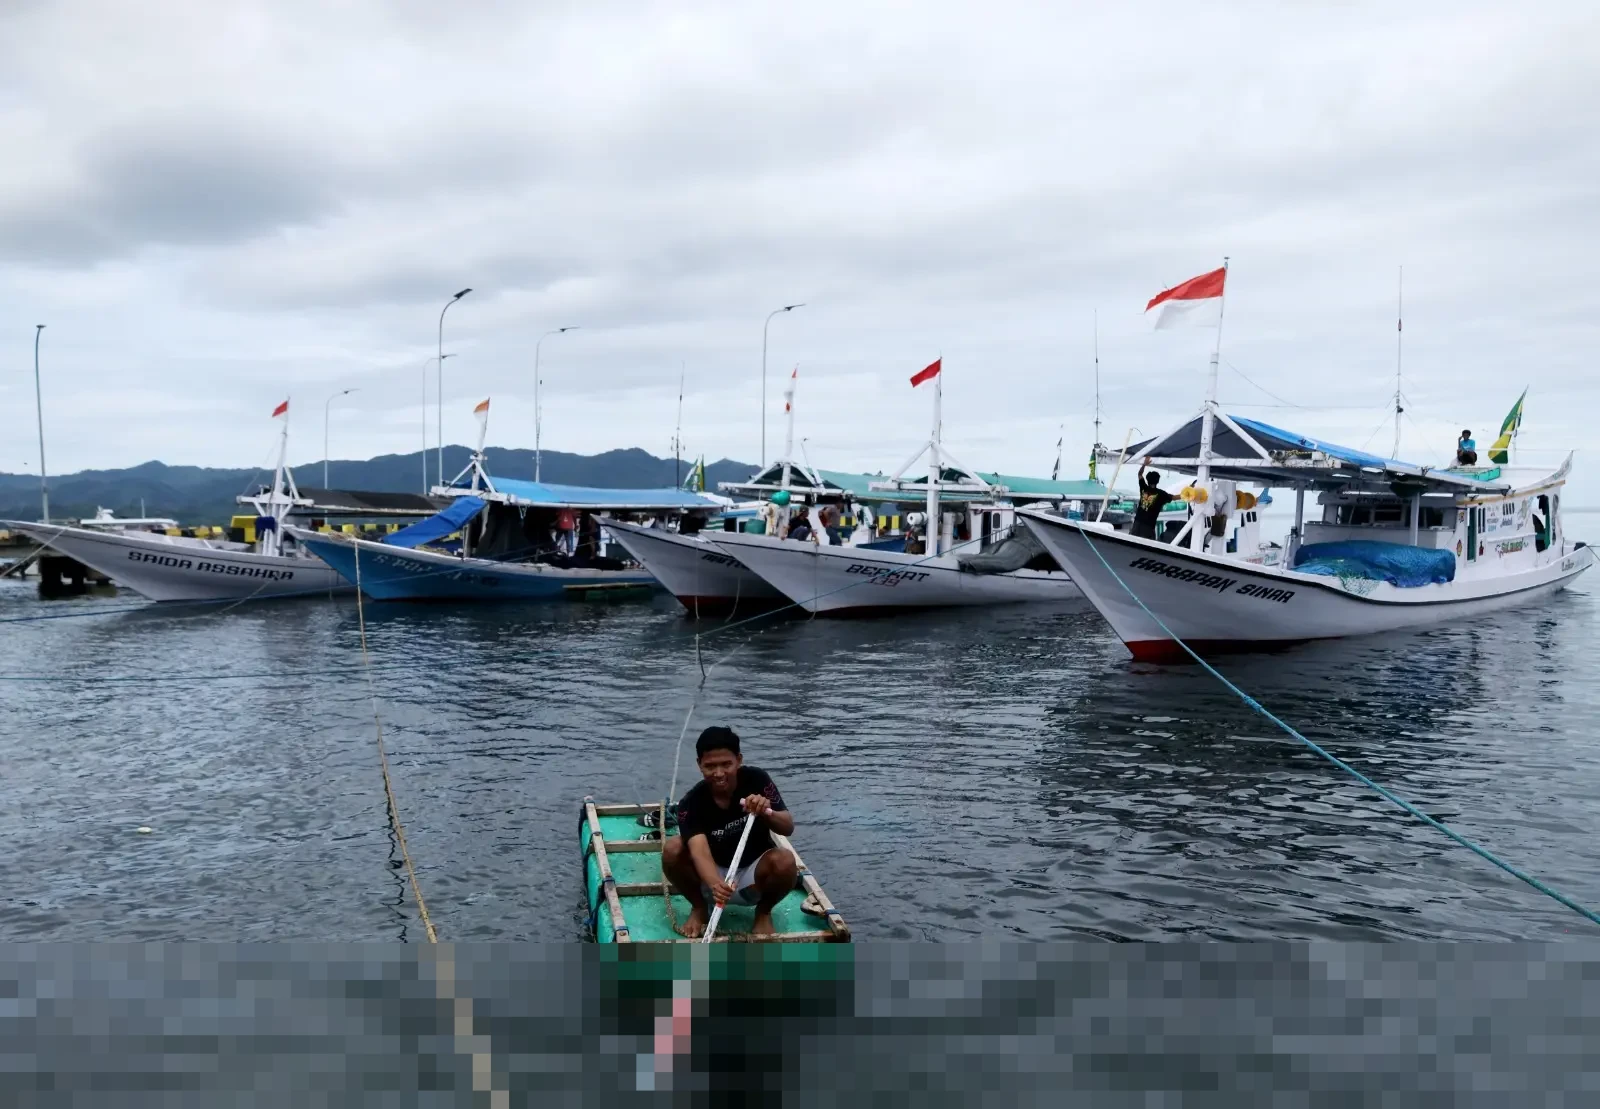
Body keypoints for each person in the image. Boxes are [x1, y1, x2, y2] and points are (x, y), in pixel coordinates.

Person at [662, 726, 798, 938]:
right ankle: (699, 907)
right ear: (699, 765)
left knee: (786, 861)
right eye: (710, 766)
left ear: (739, 760)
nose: (718, 774)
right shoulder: (691, 803)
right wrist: (715, 884)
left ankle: (763, 913)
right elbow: (699, 851)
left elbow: (787, 827)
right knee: (672, 849)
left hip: (752, 874)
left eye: (726, 764)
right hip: (712, 876)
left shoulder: (758, 780)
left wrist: (766, 811)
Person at [1132, 459, 1176, 540]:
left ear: (1148, 480)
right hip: (1148, 526)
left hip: (1137, 523)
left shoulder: (1143, 488)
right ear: (1157, 481)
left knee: (1132, 544)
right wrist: (1189, 491)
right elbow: (1174, 497)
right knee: (1147, 547)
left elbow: (1140, 474)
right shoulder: (1161, 494)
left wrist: (1144, 464)